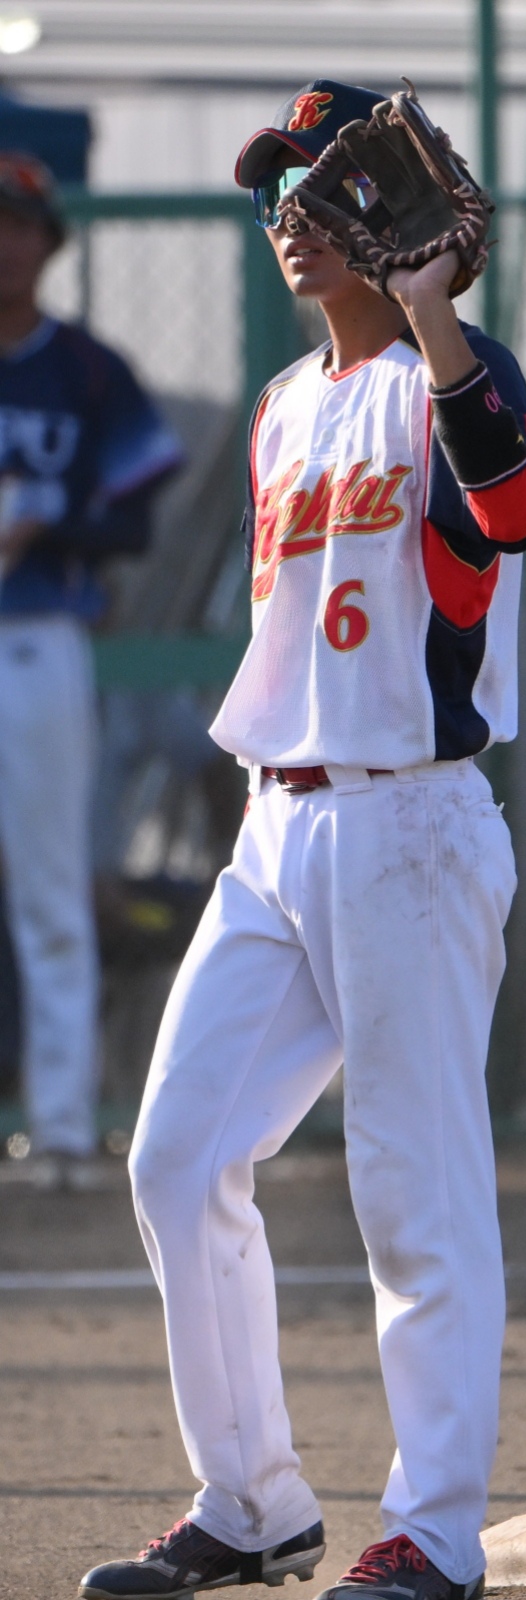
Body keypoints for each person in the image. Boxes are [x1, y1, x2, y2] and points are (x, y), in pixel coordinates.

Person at [83, 79, 526, 1600]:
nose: (288, 213)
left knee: (415, 1190)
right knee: (178, 1158)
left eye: (318, 182)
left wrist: (435, 317)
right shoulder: (285, 404)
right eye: (274, 190)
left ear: (394, 205)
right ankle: (251, 1500)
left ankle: (436, 1530)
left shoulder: (453, 377)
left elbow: (517, 509)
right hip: (274, 827)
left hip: (408, 817)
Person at [0, 151, 183, 1184]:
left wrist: (48, 523)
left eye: (20, 225)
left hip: (36, 637)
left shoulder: (84, 369)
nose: (5, 244)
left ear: (49, 243)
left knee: (49, 887)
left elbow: (134, 512)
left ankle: (63, 1124)